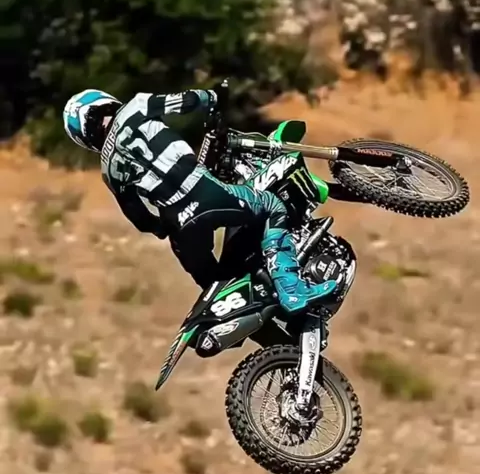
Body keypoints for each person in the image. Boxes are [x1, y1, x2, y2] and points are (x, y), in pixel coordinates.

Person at [63, 88, 336, 313]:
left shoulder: (108, 170)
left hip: (178, 225)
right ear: (105, 102)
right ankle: (290, 288)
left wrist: (161, 228)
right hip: (206, 193)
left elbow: (139, 219)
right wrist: (213, 97)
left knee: (215, 288)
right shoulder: (137, 106)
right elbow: (188, 100)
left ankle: (248, 320)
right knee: (273, 207)